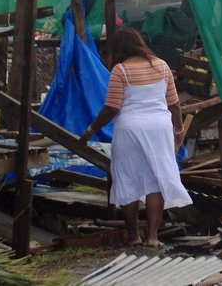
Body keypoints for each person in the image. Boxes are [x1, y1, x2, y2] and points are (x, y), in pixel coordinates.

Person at [79, 28, 192, 247]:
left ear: (119, 48)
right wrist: (178, 131)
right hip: (159, 129)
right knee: (155, 180)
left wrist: (91, 129)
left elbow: (111, 108)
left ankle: (134, 236)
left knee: (127, 179)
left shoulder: (120, 70)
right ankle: (152, 237)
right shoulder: (162, 65)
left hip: (130, 129)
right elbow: (174, 104)